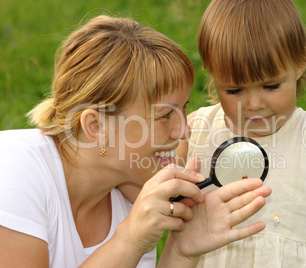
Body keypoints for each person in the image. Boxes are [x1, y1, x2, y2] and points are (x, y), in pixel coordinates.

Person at [0, 15, 272, 267]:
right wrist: (128, 239)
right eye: (165, 115)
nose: (183, 131)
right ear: (96, 127)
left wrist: (180, 251)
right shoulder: (13, 170)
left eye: (183, 108)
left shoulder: (132, 197)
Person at [175, 0, 306, 267]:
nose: (254, 104)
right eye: (235, 90)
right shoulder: (198, 131)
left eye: (271, 86)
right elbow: (165, 191)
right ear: (212, 75)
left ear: (299, 66)